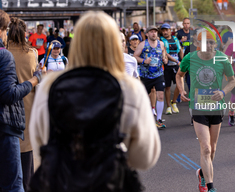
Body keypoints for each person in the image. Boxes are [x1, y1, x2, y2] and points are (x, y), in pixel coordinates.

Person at [29, 11, 160, 190]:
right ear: (115, 44)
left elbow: (40, 145)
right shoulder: (130, 88)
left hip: (62, 181)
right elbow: (145, 158)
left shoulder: (49, 86)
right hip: (110, 182)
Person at [176, 30, 235, 192]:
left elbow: (232, 81)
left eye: (211, 42)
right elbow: (179, 75)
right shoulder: (190, 58)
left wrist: (223, 92)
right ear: (197, 44)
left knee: (213, 148)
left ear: (215, 44)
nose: (208, 46)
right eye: (205, 42)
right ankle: (211, 187)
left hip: (216, 107)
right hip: (198, 107)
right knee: (206, 148)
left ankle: (202, 174)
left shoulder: (222, 58)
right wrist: (181, 90)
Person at [0, 10, 40, 192]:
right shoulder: (31, 54)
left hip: (5, 113)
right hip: (22, 111)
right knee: (18, 174)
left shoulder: (7, 52)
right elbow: (9, 92)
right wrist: (35, 80)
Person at [133, 26, 168, 128]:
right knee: (143, 98)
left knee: (160, 95)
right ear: (147, 34)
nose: (154, 34)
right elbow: (135, 56)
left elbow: (164, 53)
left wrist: (165, 59)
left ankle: (159, 120)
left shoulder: (161, 44)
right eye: (151, 32)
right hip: (145, 76)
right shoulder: (143, 44)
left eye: (155, 32)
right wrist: (144, 61)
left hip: (158, 74)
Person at [160, 23, 183, 115]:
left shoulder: (175, 39)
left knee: (179, 84)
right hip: (167, 66)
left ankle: (174, 103)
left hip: (176, 65)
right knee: (168, 87)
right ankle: (168, 106)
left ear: (170, 30)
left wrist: (183, 61)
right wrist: (177, 61)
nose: (165, 32)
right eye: (163, 30)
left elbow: (180, 50)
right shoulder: (161, 41)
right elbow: (166, 54)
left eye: (167, 30)